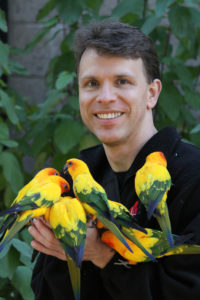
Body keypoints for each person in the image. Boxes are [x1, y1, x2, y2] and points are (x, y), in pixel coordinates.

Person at [29, 20, 200, 300]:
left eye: (122, 82)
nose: (105, 98)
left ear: (152, 93)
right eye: (92, 84)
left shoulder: (192, 176)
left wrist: (102, 255)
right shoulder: (73, 182)